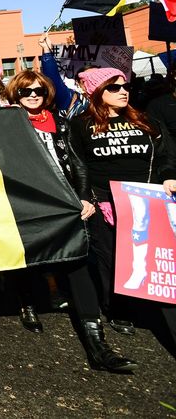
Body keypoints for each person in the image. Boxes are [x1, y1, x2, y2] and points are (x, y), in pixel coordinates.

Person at [4, 69, 136, 371]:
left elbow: (79, 163)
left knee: (76, 263)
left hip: (66, 203)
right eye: (26, 92)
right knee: (30, 257)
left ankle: (97, 345)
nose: (33, 95)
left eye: (38, 90)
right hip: (28, 203)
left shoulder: (63, 122)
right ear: (17, 95)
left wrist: (85, 197)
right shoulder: (8, 123)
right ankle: (28, 302)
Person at [68, 68, 176, 342]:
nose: (123, 91)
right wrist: (84, 196)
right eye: (113, 88)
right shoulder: (81, 124)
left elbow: (165, 155)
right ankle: (117, 309)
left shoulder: (145, 119)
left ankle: (153, 300)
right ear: (97, 92)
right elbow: (79, 164)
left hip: (146, 197)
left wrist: (168, 176)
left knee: (150, 254)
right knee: (111, 258)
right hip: (105, 199)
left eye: (124, 86)